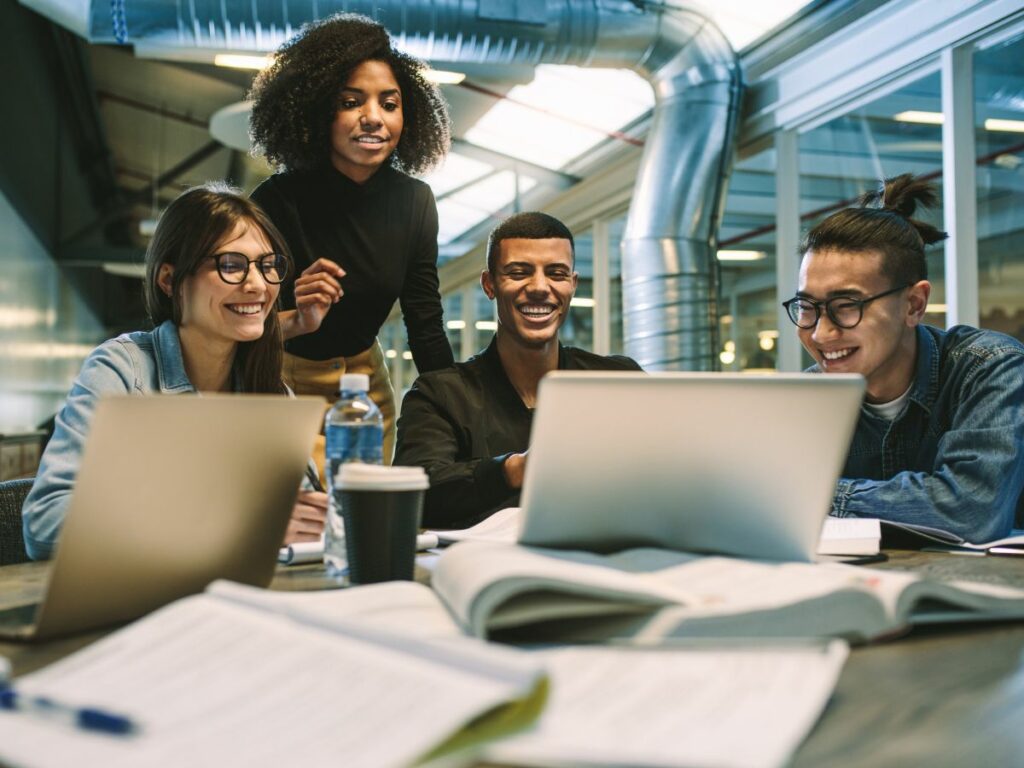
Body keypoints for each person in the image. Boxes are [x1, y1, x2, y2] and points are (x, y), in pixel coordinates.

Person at [22, 184, 334, 560]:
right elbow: (44, 525)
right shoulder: (122, 371)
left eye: (268, 266)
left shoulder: (270, 389)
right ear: (169, 280)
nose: (257, 285)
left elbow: (294, 514)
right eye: (231, 265)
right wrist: (234, 521)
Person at [248, 14, 454, 468]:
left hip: (366, 393)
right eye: (351, 101)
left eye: (389, 103)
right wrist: (296, 316)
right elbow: (240, 327)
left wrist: (457, 410)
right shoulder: (275, 201)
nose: (373, 118)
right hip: (282, 386)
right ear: (320, 111)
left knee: (360, 524)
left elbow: (425, 321)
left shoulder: (415, 202)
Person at [782, 173, 1024, 542]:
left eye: (846, 306)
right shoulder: (808, 397)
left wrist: (812, 495)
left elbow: (969, 510)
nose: (820, 333)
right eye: (806, 306)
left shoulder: (990, 367)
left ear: (914, 305)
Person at [395, 212, 643, 529]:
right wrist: (515, 469)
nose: (540, 287)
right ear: (489, 284)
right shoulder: (440, 394)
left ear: (572, 285)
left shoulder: (619, 381)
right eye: (518, 273)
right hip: (484, 568)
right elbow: (412, 491)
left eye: (556, 273)